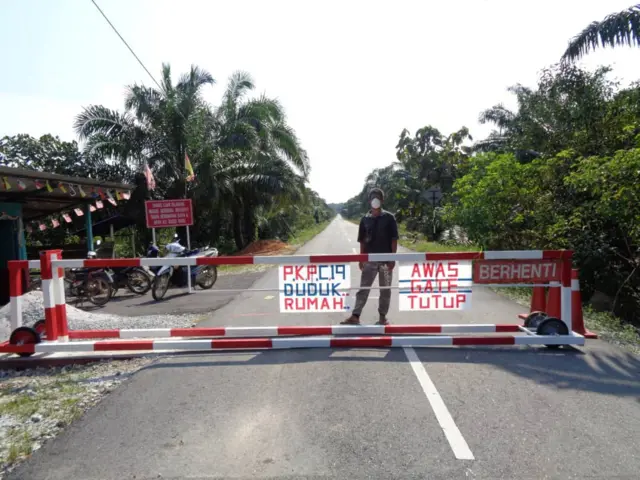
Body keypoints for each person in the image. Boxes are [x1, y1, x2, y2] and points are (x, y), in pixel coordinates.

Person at [342, 187, 398, 325]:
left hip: (385, 262)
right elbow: (362, 240)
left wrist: (392, 259)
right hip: (369, 262)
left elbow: (394, 240)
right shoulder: (365, 219)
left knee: (385, 290)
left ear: (382, 200)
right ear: (369, 200)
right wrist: (361, 259)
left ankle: (382, 317)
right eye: (373, 197)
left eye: (378, 197)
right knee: (364, 288)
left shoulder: (389, 218)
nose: (375, 199)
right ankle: (355, 316)